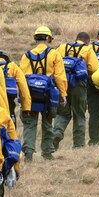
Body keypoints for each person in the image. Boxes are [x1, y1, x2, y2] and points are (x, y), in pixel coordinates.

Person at [18, 26, 67, 162]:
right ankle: (47, 153)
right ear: (49, 39)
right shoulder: (55, 54)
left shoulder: (26, 56)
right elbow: (60, 77)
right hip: (48, 95)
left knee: (29, 124)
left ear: (35, 38)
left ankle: (28, 153)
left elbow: (22, 78)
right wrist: (63, 94)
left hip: (30, 95)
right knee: (47, 123)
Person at [54, 32, 99, 149]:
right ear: (87, 41)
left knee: (62, 112)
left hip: (62, 83)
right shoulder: (87, 49)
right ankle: (78, 144)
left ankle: (57, 133)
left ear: (76, 39)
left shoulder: (62, 47)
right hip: (79, 84)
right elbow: (94, 68)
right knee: (79, 114)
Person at [0, 50, 29, 125]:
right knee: (11, 116)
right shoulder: (13, 66)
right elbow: (23, 86)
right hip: (10, 97)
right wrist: (26, 107)